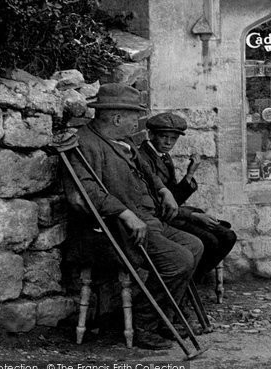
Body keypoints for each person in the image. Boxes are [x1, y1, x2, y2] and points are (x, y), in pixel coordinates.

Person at [62, 84, 203, 350]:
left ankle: (166, 319)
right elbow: (83, 194)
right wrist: (125, 213)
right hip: (112, 231)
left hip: (147, 220)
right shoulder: (85, 145)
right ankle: (145, 324)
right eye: (132, 117)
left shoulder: (124, 141)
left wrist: (163, 190)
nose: (136, 122)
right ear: (117, 118)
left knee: (195, 246)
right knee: (178, 260)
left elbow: (147, 171)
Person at [139, 112, 237, 284]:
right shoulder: (143, 159)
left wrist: (190, 174)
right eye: (163, 137)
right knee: (211, 241)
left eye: (173, 138)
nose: (168, 143)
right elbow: (159, 205)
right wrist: (193, 216)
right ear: (151, 134)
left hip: (174, 214)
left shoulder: (162, 156)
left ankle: (189, 282)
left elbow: (174, 198)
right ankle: (186, 284)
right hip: (162, 219)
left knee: (228, 236)